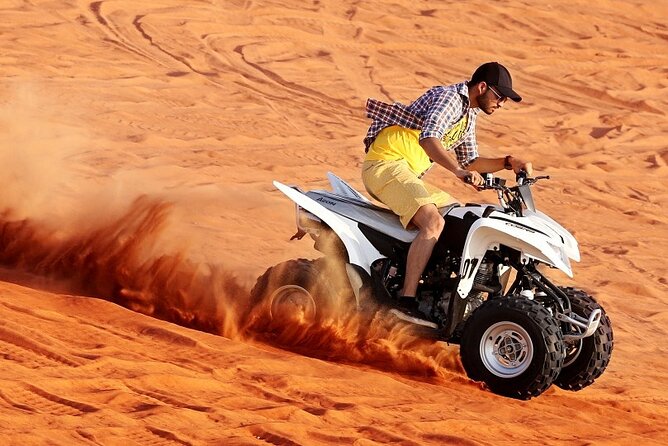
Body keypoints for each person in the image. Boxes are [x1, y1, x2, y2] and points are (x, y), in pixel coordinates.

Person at [361, 61, 533, 324]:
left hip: (404, 173)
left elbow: (471, 161)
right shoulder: (451, 99)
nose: (501, 103)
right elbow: (429, 139)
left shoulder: (468, 115)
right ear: (482, 87)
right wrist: (457, 172)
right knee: (433, 221)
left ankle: (436, 290)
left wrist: (508, 162)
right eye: (499, 96)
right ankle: (406, 303)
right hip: (385, 164)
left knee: (459, 218)